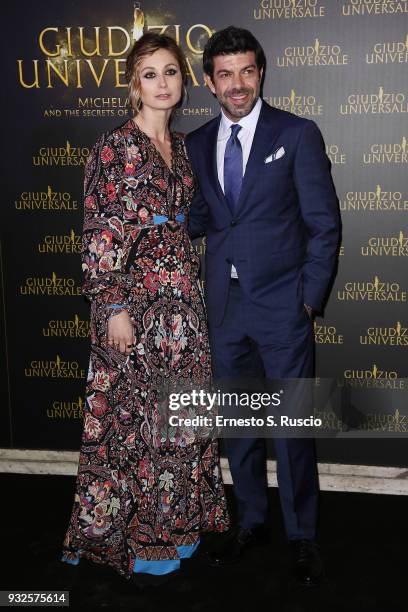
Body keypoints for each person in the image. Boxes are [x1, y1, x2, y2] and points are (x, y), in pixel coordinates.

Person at [61, 32, 229, 581]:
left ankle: (175, 528)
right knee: (133, 427)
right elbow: (98, 233)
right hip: (133, 307)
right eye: (150, 73)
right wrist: (112, 307)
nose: (162, 83)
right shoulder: (112, 146)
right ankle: (133, 541)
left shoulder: (182, 148)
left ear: (184, 82)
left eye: (171, 72)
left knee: (179, 423)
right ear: (135, 83)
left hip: (181, 303)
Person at [185, 26, 340, 586]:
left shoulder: (296, 134)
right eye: (225, 74)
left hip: (282, 309)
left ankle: (302, 537)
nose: (237, 84)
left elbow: (324, 225)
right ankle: (251, 521)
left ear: (261, 73)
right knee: (238, 426)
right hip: (224, 310)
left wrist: (308, 300)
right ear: (209, 82)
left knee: (293, 428)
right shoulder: (197, 144)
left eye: (247, 71)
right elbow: (204, 219)